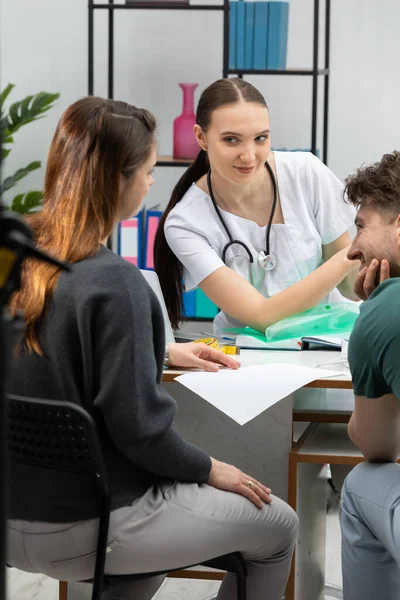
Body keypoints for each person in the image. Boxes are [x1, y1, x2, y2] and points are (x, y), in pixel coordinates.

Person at [6, 96, 298, 600]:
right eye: (145, 170)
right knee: (278, 525)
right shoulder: (116, 283)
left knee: (146, 558)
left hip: (12, 517)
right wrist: (214, 469)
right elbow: (142, 434)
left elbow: (41, 354)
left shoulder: (17, 255)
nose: (150, 182)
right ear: (118, 180)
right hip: (91, 529)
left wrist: (158, 352)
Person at [154, 78, 360, 334]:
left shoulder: (306, 172)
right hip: (246, 357)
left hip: (330, 342)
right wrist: (353, 253)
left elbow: (350, 289)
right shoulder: (185, 223)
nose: (249, 156)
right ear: (201, 137)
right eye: (231, 140)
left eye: (260, 138)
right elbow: (262, 317)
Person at [338, 151, 400, 600]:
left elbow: (378, 445)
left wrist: (371, 314)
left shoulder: (386, 309)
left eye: (362, 226)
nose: (352, 249)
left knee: (360, 484)